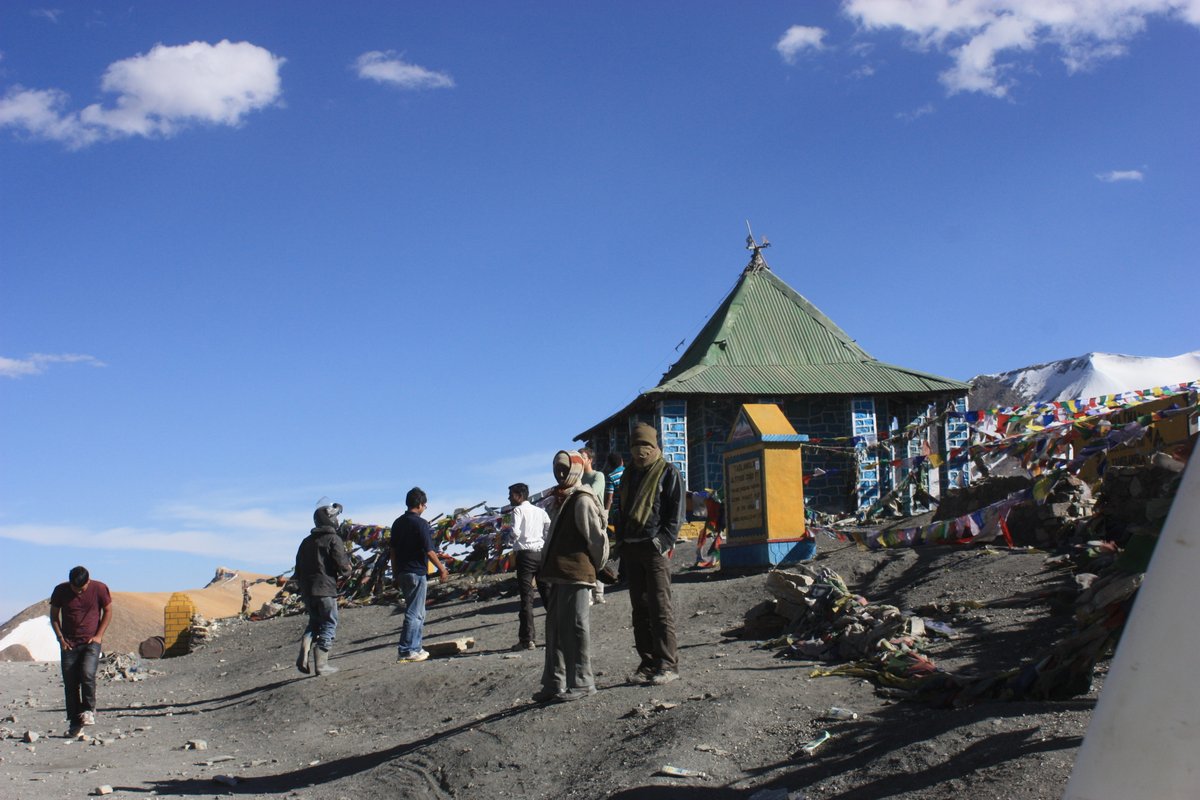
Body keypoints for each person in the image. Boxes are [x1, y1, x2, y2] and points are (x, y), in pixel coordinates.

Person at [533, 450, 608, 703]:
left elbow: (596, 539)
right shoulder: (561, 499)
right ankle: (554, 682)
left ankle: (583, 682)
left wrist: (597, 567)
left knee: (575, 627)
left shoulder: (582, 499)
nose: (560, 473)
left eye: (565, 469)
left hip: (577, 574)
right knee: (555, 629)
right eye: (557, 469)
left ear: (576, 469)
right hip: (558, 574)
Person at [616, 423, 684, 686]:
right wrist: (621, 541)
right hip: (632, 548)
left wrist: (662, 541)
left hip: (654, 550)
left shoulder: (668, 472)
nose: (639, 451)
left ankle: (667, 664)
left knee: (660, 608)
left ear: (655, 446)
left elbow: (675, 513)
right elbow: (622, 510)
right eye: (635, 446)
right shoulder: (629, 474)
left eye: (645, 445)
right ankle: (647, 663)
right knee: (640, 610)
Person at [49, 566, 112, 737]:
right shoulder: (60, 591)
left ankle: (88, 711)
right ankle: (75, 724)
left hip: (91, 642)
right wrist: (61, 639)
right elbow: (54, 616)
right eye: (75, 588)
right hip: (69, 644)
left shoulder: (99, 588)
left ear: (88, 581)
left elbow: (108, 610)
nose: (78, 592)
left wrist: (99, 635)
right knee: (70, 684)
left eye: (82, 589)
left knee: (87, 674)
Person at [391, 487, 450, 663]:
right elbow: (429, 550)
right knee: (415, 612)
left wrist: (395, 574)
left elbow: (392, 552)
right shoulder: (420, 523)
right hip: (416, 571)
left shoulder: (397, 523)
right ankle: (407, 650)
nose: (425, 508)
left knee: (418, 611)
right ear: (420, 504)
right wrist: (442, 568)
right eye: (425, 505)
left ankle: (416, 647)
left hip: (402, 571)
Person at [294, 500, 352, 675]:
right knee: (329, 623)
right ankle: (321, 664)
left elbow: (298, 569)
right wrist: (348, 570)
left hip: (307, 590)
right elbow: (342, 565)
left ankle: (306, 642)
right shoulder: (334, 539)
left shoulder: (306, 542)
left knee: (315, 621)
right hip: (325, 589)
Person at [508, 482, 551, 650]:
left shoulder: (517, 511)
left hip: (525, 556)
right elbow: (548, 528)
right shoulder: (541, 511)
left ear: (519, 496)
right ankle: (558, 634)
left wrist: (510, 540)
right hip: (541, 554)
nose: (509, 498)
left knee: (526, 597)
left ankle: (527, 639)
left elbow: (515, 532)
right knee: (548, 595)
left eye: (511, 495)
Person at [578, 446, 607, 604]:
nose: (580, 460)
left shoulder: (598, 476)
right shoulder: (578, 478)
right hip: (582, 520)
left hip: (597, 518)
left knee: (598, 554)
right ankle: (588, 594)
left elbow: (592, 492)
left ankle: (599, 592)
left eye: (582, 457)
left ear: (590, 460)